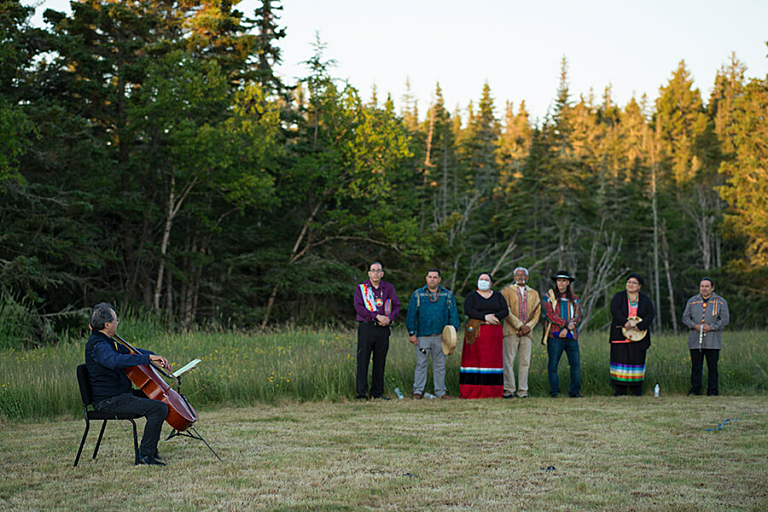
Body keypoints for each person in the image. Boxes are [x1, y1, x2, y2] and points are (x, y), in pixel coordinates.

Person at [84, 302, 170, 466]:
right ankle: (145, 455)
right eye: (116, 320)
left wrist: (154, 356)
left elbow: (131, 352)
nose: (117, 323)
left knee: (158, 397)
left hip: (120, 395)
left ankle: (150, 450)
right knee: (159, 408)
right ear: (107, 324)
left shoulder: (109, 342)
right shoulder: (99, 345)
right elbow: (115, 361)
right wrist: (147, 359)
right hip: (108, 401)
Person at [405, 269, 461, 400]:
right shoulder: (418, 294)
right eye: (430, 277)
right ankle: (418, 391)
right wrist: (411, 333)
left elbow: (453, 315)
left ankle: (440, 392)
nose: (432, 279)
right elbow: (411, 315)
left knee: (440, 365)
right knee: (421, 364)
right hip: (422, 336)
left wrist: (452, 334)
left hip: (441, 337)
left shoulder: (447, 295)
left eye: (435, 277)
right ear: (426, 278)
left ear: (439, 279)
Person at [353, 262, 401, 400]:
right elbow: (359, 307)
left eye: (378, 270)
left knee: (380, 361)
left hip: (383, 328)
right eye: (373, 270)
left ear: (382, 274)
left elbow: (396, 305)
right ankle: (361, 393)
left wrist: (389, 319)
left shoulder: (388, 288)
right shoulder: (361, 288)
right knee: (363, 361)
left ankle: (377, 393)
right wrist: (376, 316)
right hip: (367, 327)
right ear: (369, 273)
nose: (375, 273)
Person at [460, 272, 509, 399]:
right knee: (475, 359)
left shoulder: (498, 296)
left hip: (493, 333)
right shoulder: (472, 296)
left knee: (492, 360)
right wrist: (484, 317)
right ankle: (472, 389)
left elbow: (505, 310)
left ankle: (492, 391)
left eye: (486, 279)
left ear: (491, 283)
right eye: (481, 279)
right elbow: (468, 310)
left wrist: (494, 318)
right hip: (476, 332)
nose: (483, 281)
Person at [609, 273, 656, 396]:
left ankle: (636, 390)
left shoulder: (645, 299)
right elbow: (614, 310)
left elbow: (651, 314)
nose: (630, 285)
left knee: (637, 361)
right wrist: (625, 323)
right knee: (620, 360)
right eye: (629, 282)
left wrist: (640, 326)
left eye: (634, 283)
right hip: (621, 334)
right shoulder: (619, 297)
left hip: (639, 335)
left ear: (639, 286)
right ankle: (620, 390)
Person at [681, 277, 730, 396]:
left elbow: (725, 319)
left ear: (712, 288)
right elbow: (685, 318)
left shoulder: (720, 302)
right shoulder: (692, 301)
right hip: (695, 340)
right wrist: (694, 326)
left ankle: (713, 391)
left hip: (713, 340)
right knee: (696, 366)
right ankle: (695, 390)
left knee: (712, 367)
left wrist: (712, 327)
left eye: (707, 286)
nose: (704, 289)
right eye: (702, 286)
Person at [501, 266, 541, 398]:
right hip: (510, 331)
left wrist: (528, 327)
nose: (520, 277)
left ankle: (523, 391)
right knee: (508, 361)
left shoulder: (534, 293)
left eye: (523, 274)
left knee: (525, 362)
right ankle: (509, 390)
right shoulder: (506, 291)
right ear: (514, 277)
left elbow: (537, 313)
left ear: (527, 277)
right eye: (517, 274)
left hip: (527, 333)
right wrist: (519, 326)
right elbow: (505, 311)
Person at [543, 270, 582, 398]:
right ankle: (554, 391)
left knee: (575, 364)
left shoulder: (574, 298)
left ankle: (575, 392)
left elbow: (577, 315)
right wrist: (565, 325)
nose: (561, 283)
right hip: (555, 336)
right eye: (559, 280)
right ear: (556, 282)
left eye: (564, 280)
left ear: (568, 282)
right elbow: (550, 315)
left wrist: (568, 328)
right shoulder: (548, 297)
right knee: (553, 365)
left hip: (572, 336)